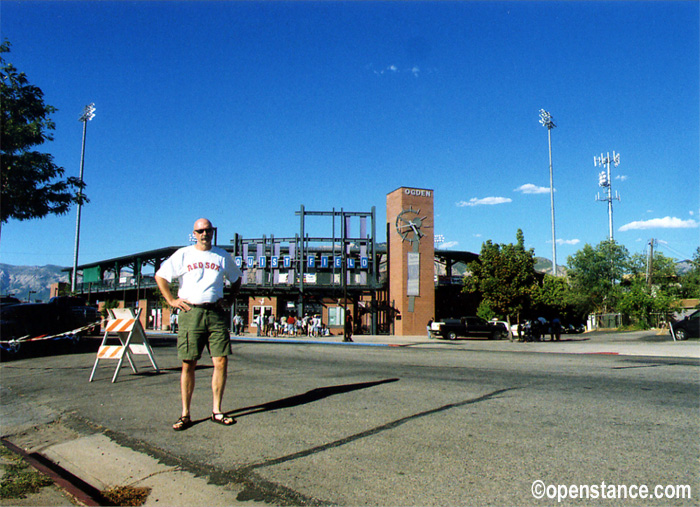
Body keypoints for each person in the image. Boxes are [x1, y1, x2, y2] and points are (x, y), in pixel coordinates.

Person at [155, 218, 242, 431]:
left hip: (216, 312)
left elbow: (237, 278)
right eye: (201, 230)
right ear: (194, 233)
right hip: (190, 312)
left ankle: (217, 410)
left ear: (213, 232)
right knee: (189, 363)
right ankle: (185, 414)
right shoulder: (184, 254)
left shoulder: (222, 255)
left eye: (208, 230)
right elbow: (161, 276)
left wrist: (230, 300)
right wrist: (171, 300)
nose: (205, 234)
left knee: (220, 361)